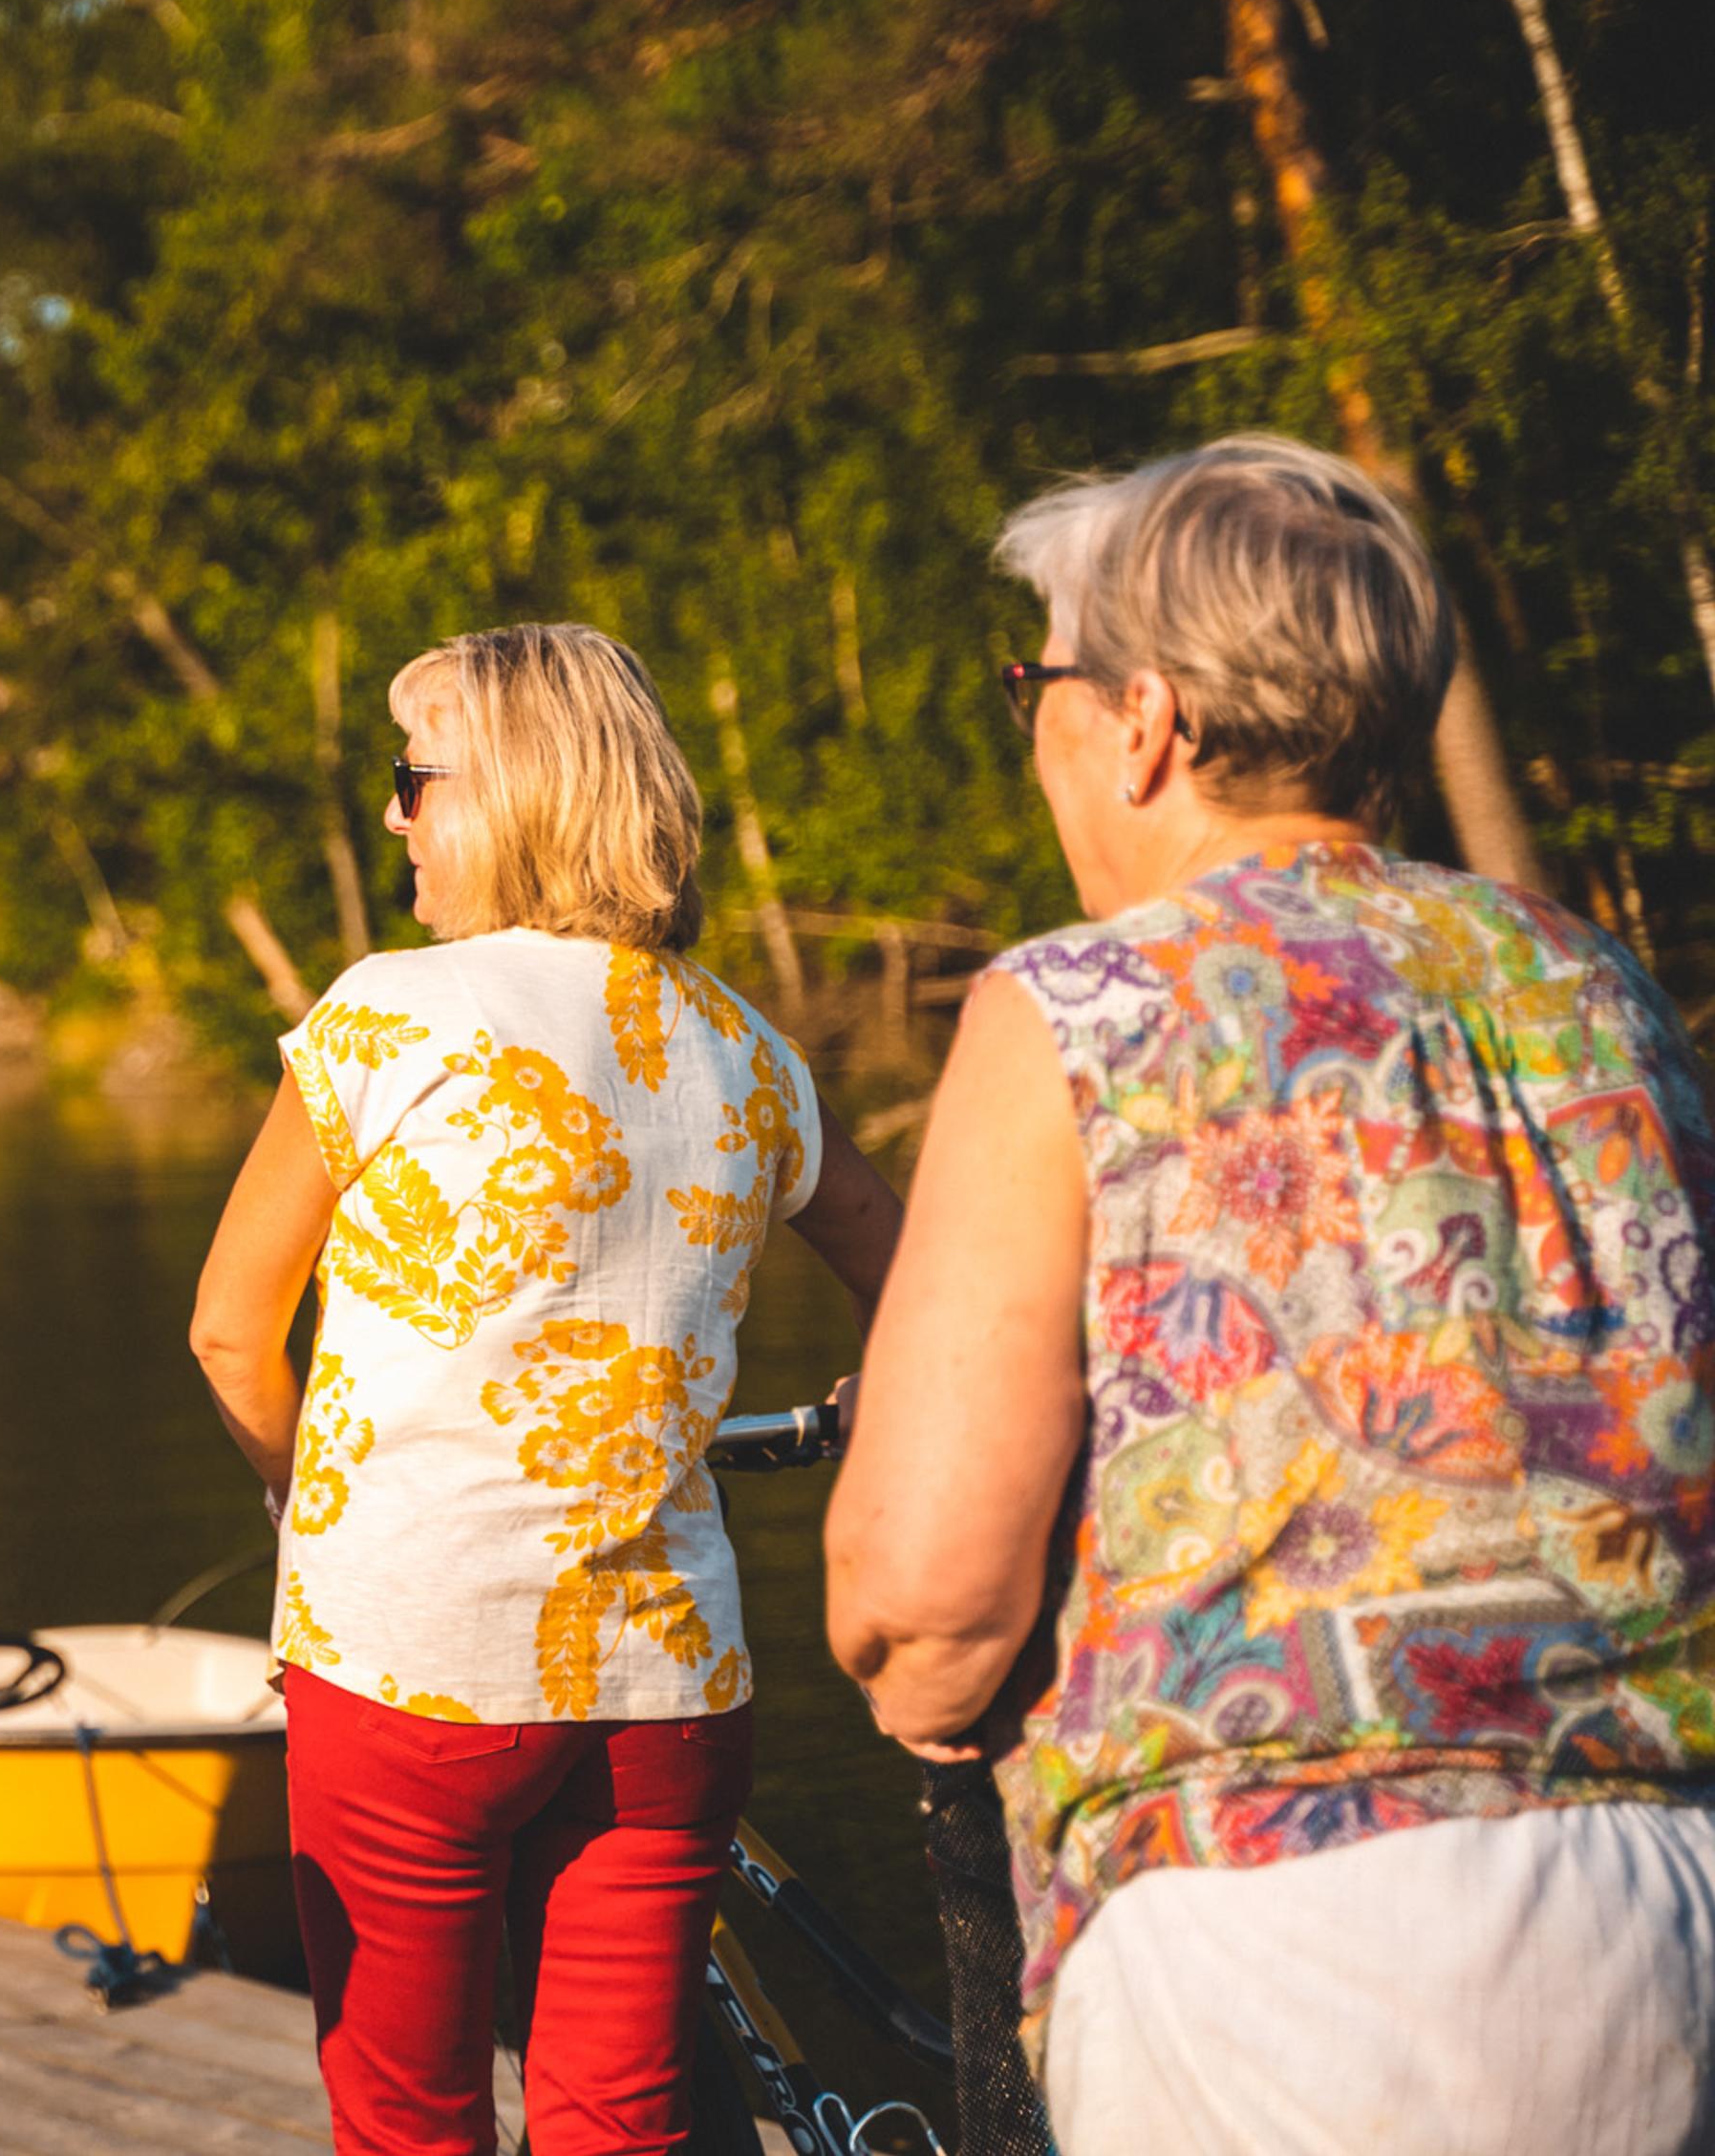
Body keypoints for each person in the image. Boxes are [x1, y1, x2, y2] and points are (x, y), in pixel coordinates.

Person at [823, 436, 1715, 2155]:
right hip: (1669, 1909)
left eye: (1044, 682)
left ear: (1146, 719)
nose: (1040, 728)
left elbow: (928, 1598)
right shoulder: (1605, 989)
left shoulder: (1078, 1005)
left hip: (1278, 1949)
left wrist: (920, 1688)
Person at [191, 624, 903, 2155]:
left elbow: (233, 1333)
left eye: (413, 779)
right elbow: (915, 1287)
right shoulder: (743, 1045)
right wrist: (878, 1417)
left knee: (409, 2121)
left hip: (410, 1663)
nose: (395, 816)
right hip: (666, 1685)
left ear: (510, 793)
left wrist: (293, 1497)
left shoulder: (391, 1012)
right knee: (619, 2125)